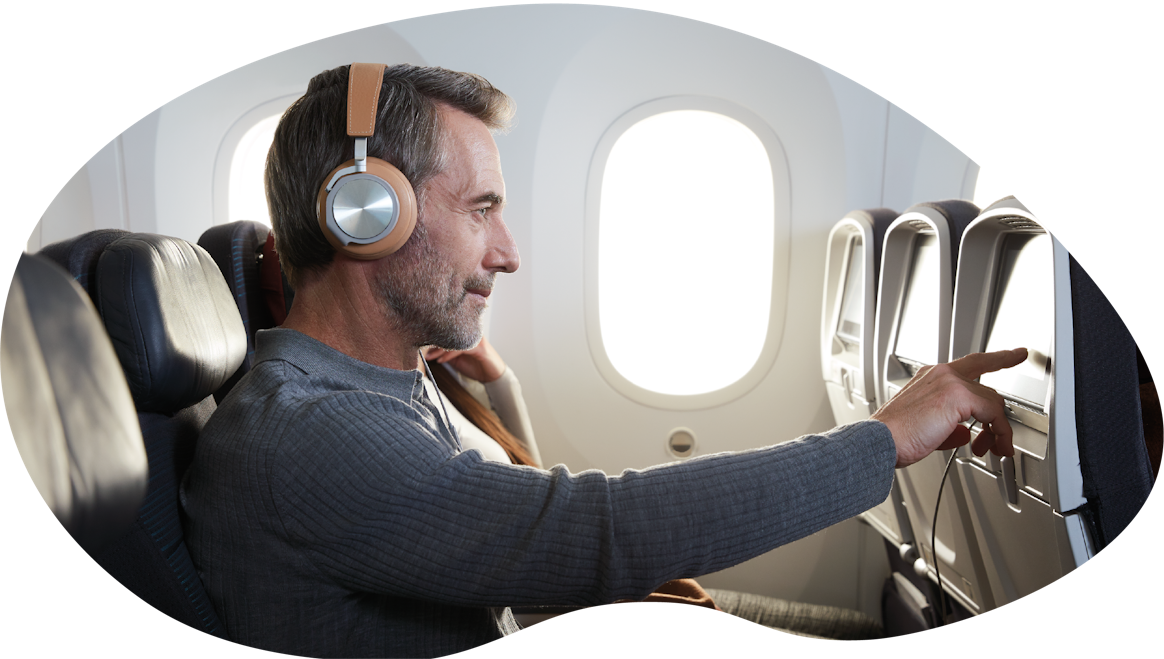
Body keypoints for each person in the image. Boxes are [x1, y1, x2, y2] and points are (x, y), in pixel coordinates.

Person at [181, 63, 1025, 657]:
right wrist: (886, 438)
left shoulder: (384, 382)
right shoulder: (309, 434)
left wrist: (496, 382)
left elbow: (507, 527)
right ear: (366, 214)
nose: (508, 253)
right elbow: (589, 530)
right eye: (482, 209)